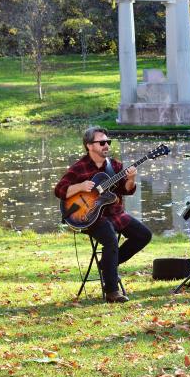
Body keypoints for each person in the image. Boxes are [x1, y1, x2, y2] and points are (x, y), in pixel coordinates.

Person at [54, 127, 152, 303]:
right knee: (110, 240)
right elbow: (59, 190)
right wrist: (80, 187)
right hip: (91, 218)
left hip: (115, 213)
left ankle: (107, 265)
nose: (106, 145)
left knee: (144, 235)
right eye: (102, 142)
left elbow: (126, 191)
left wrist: (131, 179)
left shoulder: (114, 166)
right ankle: (112, 292)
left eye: (108, 142)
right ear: (89, 146)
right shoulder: (79, 168)